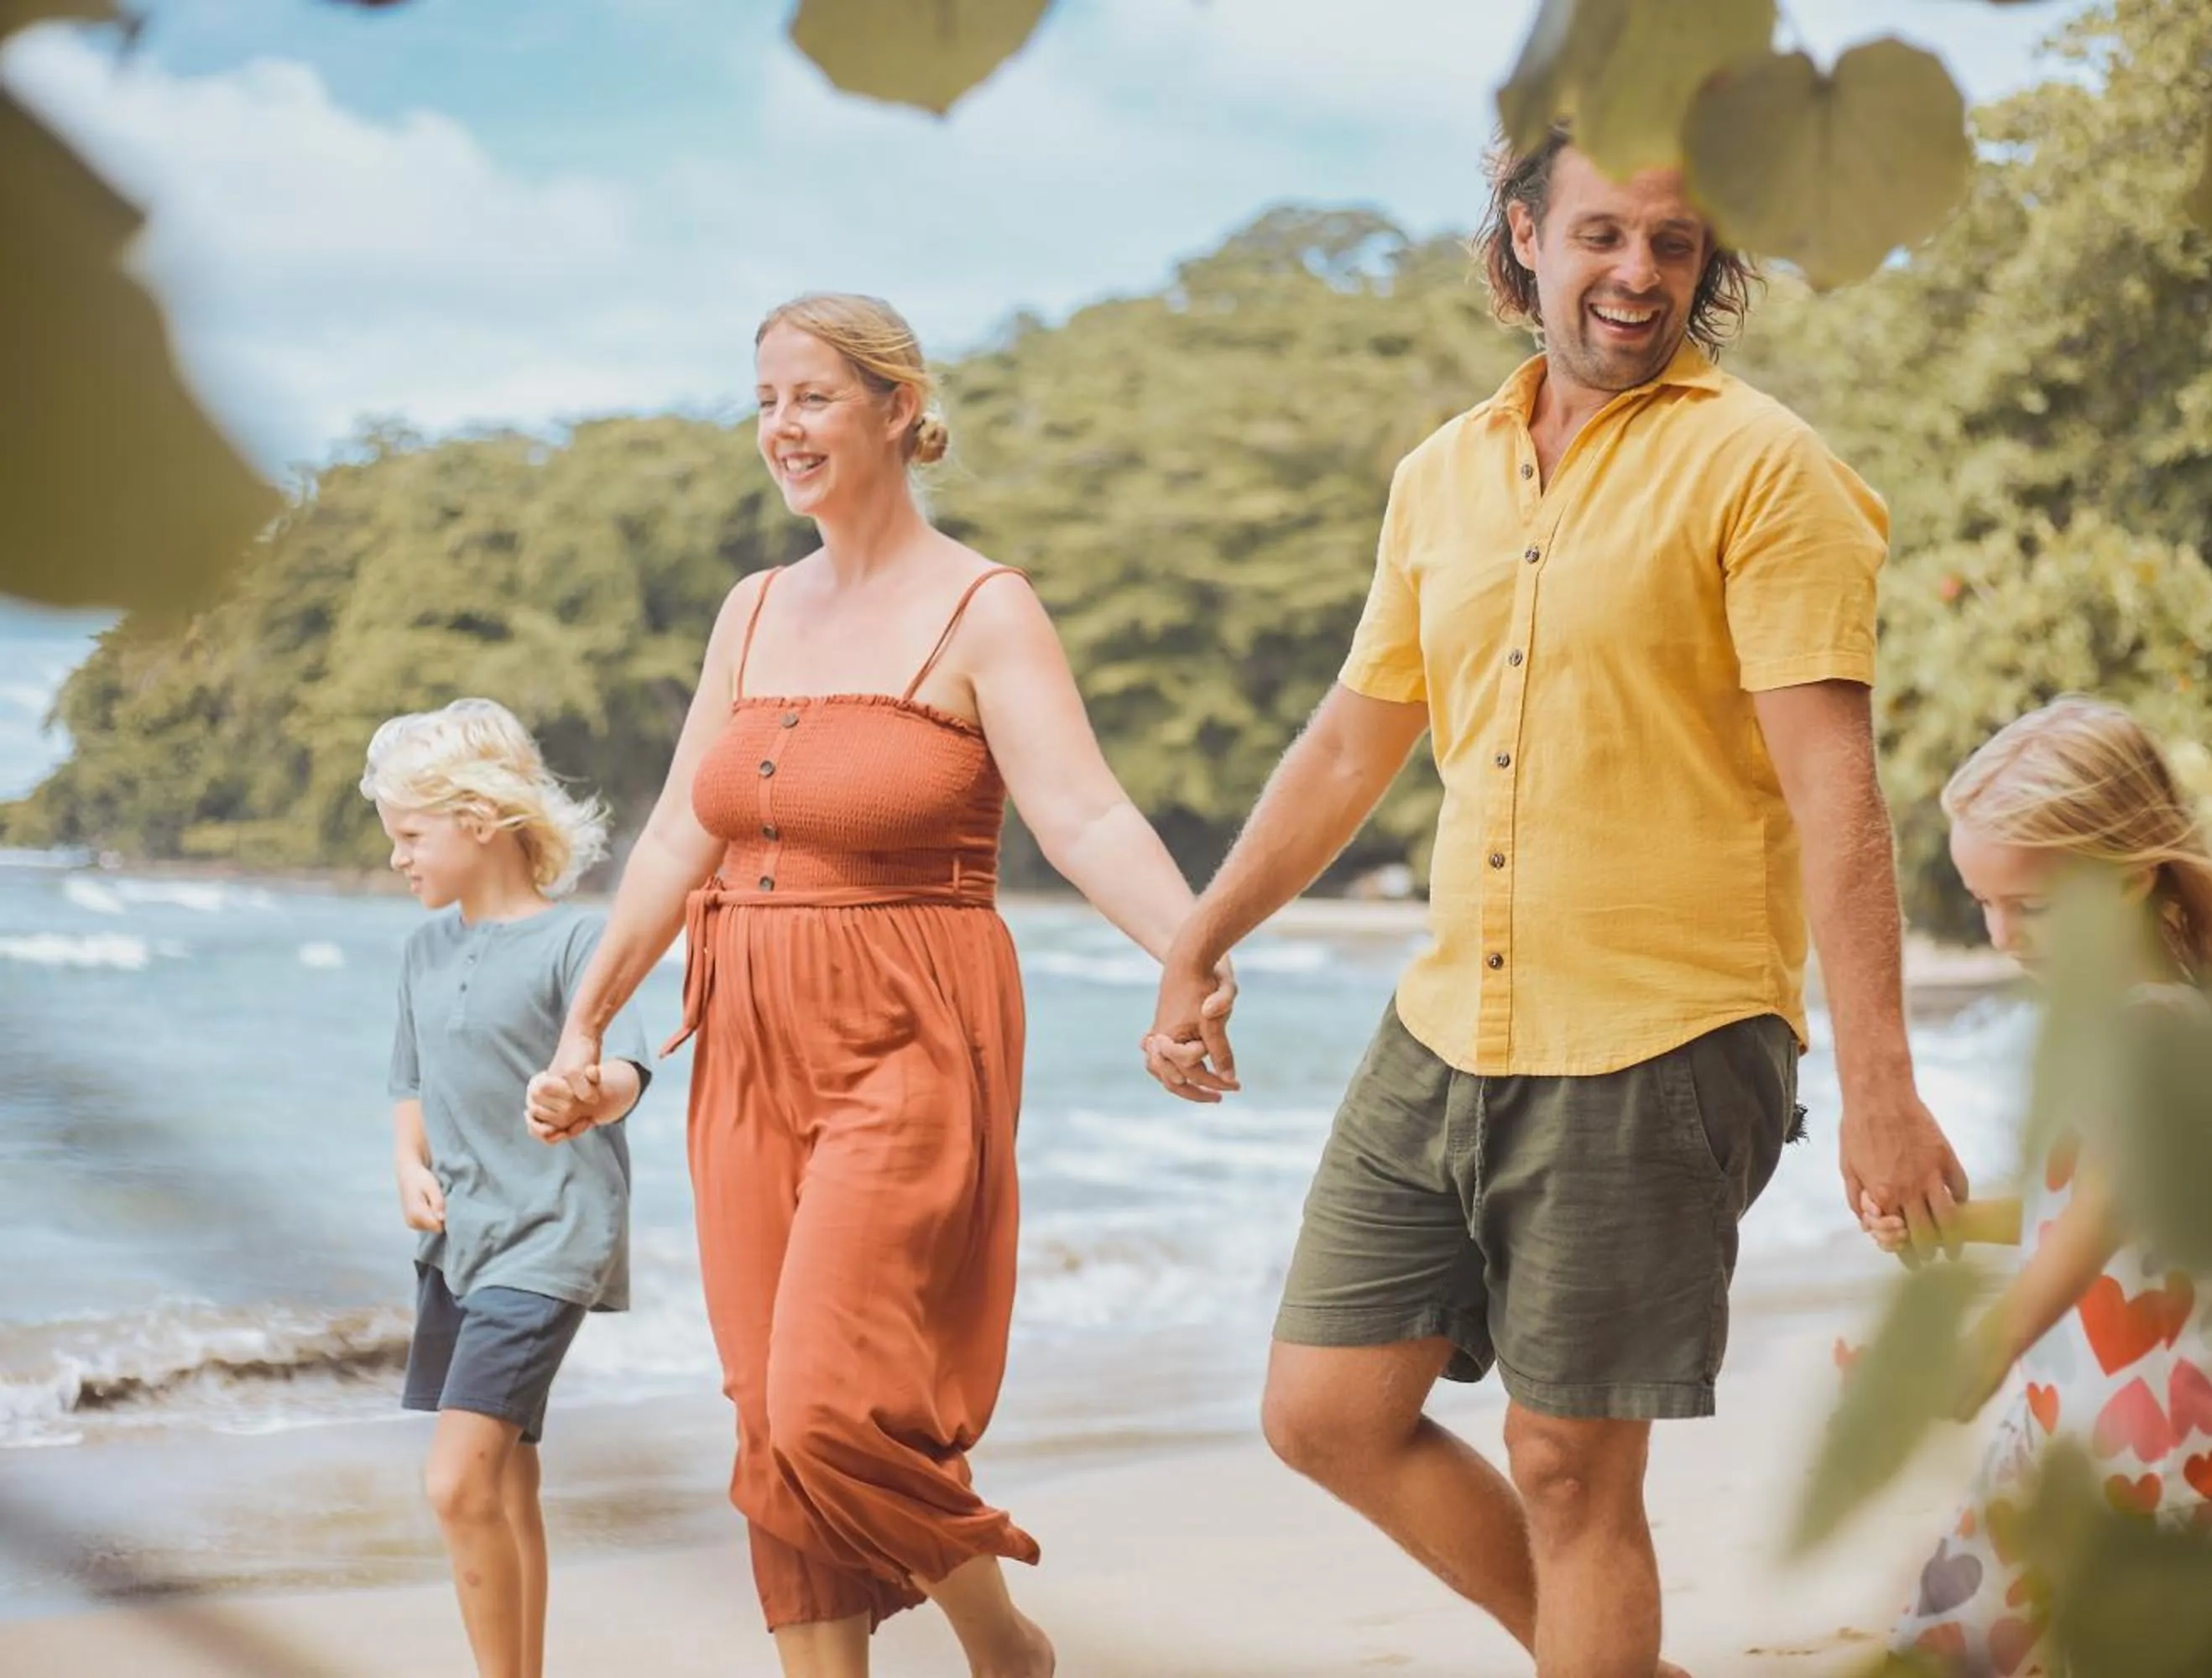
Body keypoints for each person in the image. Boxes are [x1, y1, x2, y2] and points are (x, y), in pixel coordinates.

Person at [1140, 126, 1966, 1678]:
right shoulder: (1440, 476)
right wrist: (1202, 935)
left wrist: (1883, 1086)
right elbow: (1349, 747)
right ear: (1524, 234)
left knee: (1571, 1470)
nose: (1637, 275)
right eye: (1601, 235)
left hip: (1666, 1033)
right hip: (1449, 1023)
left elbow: (1837, 795)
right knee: (1325, 1411)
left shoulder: (1765, 468)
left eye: (1673, 244)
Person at [531, 294, 1228, 1678]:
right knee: (762, 1407)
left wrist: (1192, 958)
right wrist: (587, 1016)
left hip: (908, 1034)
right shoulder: (750, 610)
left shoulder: (984, 608)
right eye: (765, 402)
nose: (782, 428)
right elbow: (675, 836)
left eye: (813, 398)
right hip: (743, 1037)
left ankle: (1004, 1642)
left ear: (900, 410)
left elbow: (1085, 816)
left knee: (826, 1407)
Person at [1865, 696, 2212, 1677]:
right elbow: (2079, 1201)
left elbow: (2111, 1201)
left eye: (2033, 906)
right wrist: (1956, 1222)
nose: (2002, 933)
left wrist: (1999, 1331)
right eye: (1982, 902)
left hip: (2149, 1424)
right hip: (2109, 1408)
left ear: (2133, 874)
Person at [365, 696, 653, 1678]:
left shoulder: (578, 942)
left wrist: (583, 1090)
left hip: (552, 1235)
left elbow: (628, 1072)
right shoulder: (422, 950)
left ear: (479, 820)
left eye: (411, 835)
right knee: (507, 1479)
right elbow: (408, 1080)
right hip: (461, 1246)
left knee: (455, 1483)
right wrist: (409, 1166)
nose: (398, 856)